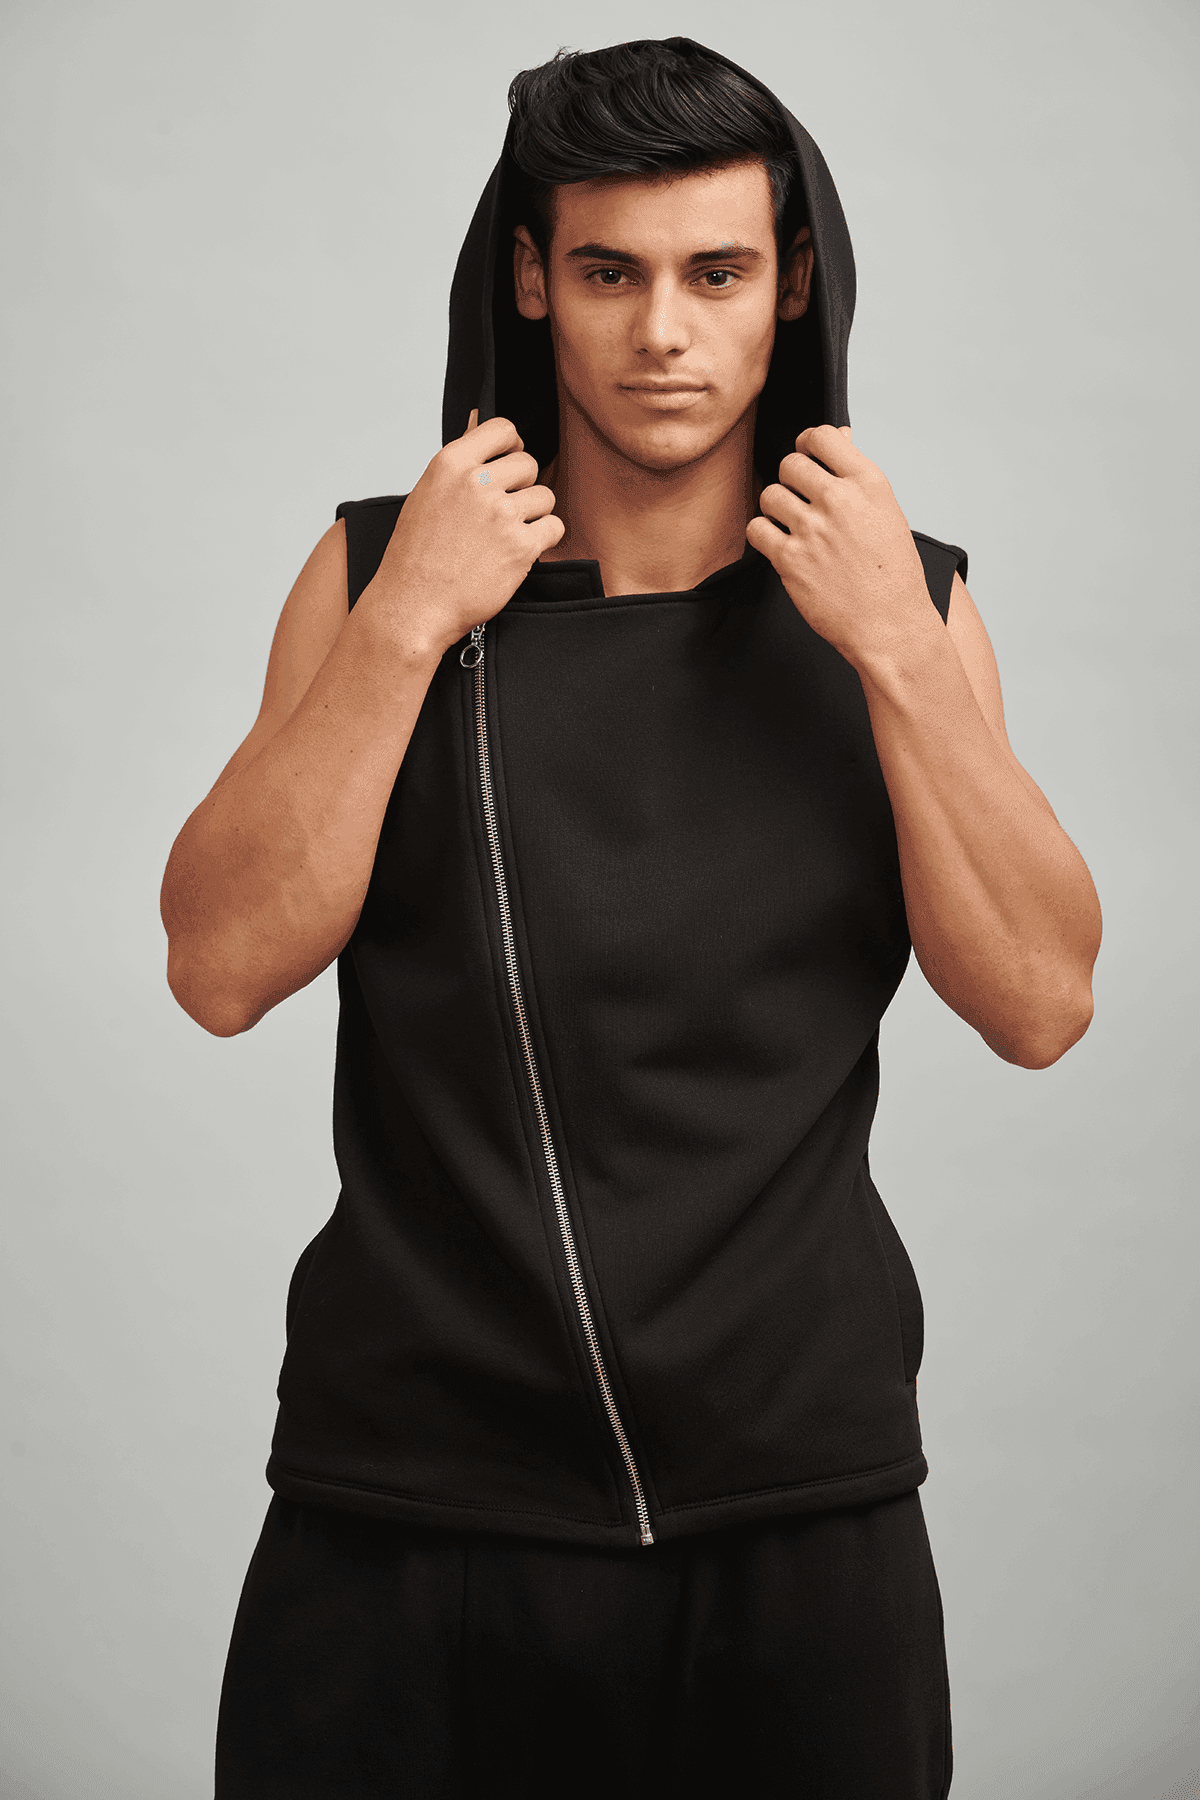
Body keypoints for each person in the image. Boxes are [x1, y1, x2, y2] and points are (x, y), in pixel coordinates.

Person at [160, 35, 1101, 1800]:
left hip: (795, 1510)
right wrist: (409, 622)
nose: (664, 332)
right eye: (610, 273)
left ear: (790, 283)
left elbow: (1043, 1001)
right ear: (533, 279)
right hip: (409, 1503)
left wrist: (894, 647)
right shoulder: (374, 577)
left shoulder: (908, 612)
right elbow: (216, 967)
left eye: (715, 274)